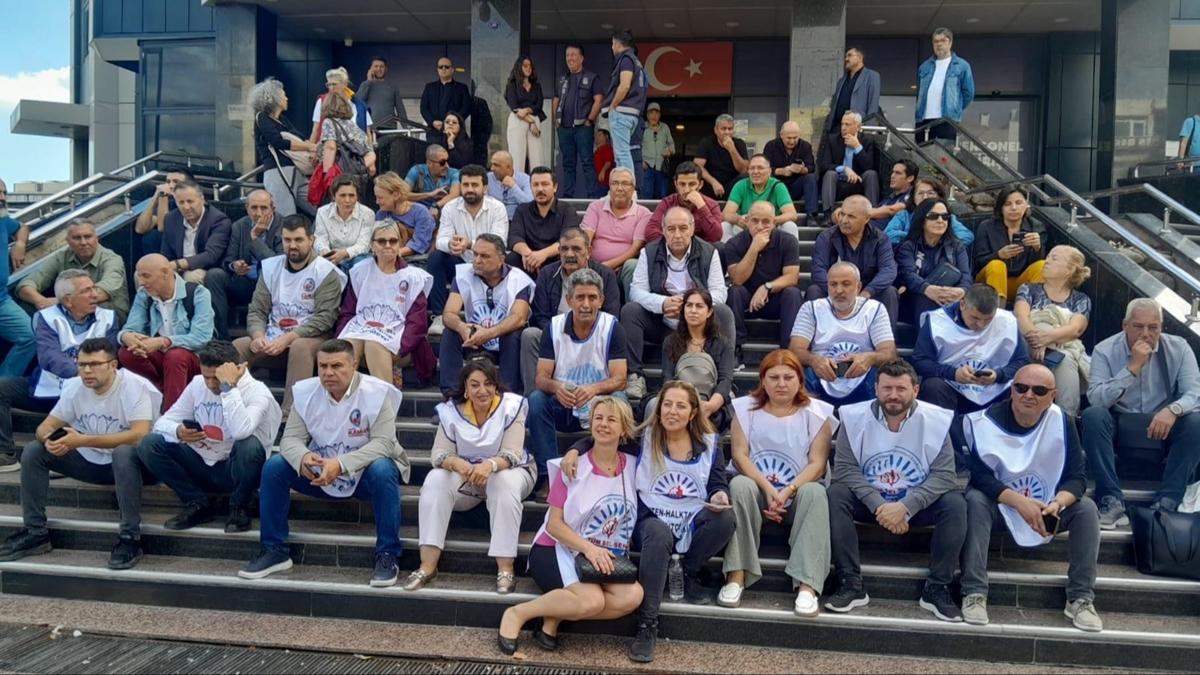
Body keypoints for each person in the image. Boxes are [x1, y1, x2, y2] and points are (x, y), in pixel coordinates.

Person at [239, 339, 407, 584]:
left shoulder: (377, 393)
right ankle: (274, 550)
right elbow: (290, 439)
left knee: (383, 468)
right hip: (319, 473)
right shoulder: (306, 393)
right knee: (275, 467)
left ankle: (388, 554)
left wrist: (340, 464)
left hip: (363, 476)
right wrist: (303, 458)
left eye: (336, 366)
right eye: (323, 366)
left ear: (354, 365)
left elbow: (384, 443)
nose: (328, 373)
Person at [961, 364, 1103, 631]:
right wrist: (1021, 503)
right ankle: (974, 591)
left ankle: (1080, 598)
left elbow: (1077, 477)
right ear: (1011, 390)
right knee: (974, 501)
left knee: (1086, 509)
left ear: (1052, 396)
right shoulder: (984, 421)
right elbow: (980, 477)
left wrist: (1057, 504)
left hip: (1045, 506)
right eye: (1021, 388)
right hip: (1000, 506)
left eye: (1039, 390)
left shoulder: (1063, 421)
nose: (1028, 395)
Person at [497, 396, 643, 656]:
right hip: (556, 548)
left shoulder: (633, 466)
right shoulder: (572, 465)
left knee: (632, 596)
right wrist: (589, 549)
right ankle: (518, 613)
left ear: (624, 429)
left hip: (604, 555)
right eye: (598, 418)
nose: (603, 424)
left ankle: (554, 616)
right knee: (592, 600)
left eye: (612, 419)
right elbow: (554, 525)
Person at [825, 358, 966, 622]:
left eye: (901, 389)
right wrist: (881, 506)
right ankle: (850, 583)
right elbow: (845, 469)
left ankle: (937, 588)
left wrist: (905, 507)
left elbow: (945, 476)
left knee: (955, 503)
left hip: (916, 505)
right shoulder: (853, 417)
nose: (893, 395)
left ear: (916, 390)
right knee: (835, 495)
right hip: (871, 503)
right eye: (887, 388)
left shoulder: (936, 419)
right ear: (875, 389)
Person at [0, 338, 160, 569]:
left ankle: (130, 538)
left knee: (123, 453)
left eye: (95, 364)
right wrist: (50, 440)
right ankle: (35, 533)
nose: (87, 371)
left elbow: (139, 436)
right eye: (82, 364)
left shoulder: (136, 387)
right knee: (34, 450)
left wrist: (83, 440)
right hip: (92, 462)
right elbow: (44, 428)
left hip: (137, 468)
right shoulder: (74, 386)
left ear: (113, 365)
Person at [719, 349, 835, 614]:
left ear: (800, 380)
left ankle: (807, 585)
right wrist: (769, 490)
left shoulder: (817, 413)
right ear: (763, 380)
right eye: (774, 377)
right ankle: (736, 575)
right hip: (758, 494)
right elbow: (739, 456)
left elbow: (817, 464)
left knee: (815, 493)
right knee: (739, 485)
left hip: (797, 496)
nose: (781, 384)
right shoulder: (745, 409)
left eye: (788, 377)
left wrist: (788, 491)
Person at [406, 359, 535, 594]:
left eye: (488, 383)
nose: (482, 390)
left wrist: (490, 465)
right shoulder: (451, 411)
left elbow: (512, 454)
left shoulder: (512, 406)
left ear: (496, 386)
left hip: (511, 472)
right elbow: (439, 454)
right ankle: (428, 565)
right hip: (469, 477)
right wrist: (457, 463)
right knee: (435, 479)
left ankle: (505, 567)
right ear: (465, 387)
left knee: (502, 481)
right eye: (475, 385)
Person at [628, 381, 734, 663]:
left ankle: (687, 572)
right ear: (658, 408)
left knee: (725, 519)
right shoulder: (642, 437)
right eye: (667, 404)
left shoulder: (709, 443)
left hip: (690, 517)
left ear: (692, 413)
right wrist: (575, 450)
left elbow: (717, 483)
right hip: (650, 518)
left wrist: (720, 495)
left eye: (680, 406)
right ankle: (647, 624)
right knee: (659, 534)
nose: (672, 411)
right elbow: (599, 440)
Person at [138, 340, 281, 533]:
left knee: (248, 444)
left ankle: (240, 507)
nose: (212, 384)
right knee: (149, 444)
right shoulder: (197, 384)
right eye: (207, 377)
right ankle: (196, 503)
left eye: (217, 378)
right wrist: (178, 431)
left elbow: (241, 431)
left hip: (238, 469)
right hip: (202, 462)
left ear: (239, 369)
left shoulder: (258, 392)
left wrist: (228, 388)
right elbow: (162, 423)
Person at [1082, 298, 1200, 527]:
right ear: (1125, 325)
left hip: (1163, 423)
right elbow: (1095, 398)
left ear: (1161, 327)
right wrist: (1132, 368)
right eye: (1138, 326)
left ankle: (1167, 501)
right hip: (1119, 422)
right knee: (1092, 416)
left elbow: (1195, 392)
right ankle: (1110, 499)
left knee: (1196, 422)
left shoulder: (1179, 347)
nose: (1146, 334)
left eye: (1153, 327)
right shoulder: (1104, 350)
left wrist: (1173, 410)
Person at [0, 271, 120, 470]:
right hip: (49, 390)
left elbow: (108, 353)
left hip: (91, 393)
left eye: (94, 288)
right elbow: (49, 357)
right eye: (86, 291)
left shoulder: (108, 317)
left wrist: (85, 375)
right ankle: (5, 454)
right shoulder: (46, 317)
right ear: (68, 300)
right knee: (2, 388)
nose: (94, 295)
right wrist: (81, 372)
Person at [233, 216, 346, 416]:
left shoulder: (325, 271)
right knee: (238, 347)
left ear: (311, 240)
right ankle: (238, 409)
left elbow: (325, 318)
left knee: (300, 347)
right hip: (273, 335)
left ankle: (291, 413)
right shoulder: (270, 268)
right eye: (287, 240)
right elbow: (257, 310)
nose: (292, 245)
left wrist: (289, 338)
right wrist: (258, 335)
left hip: (311, 339)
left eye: (298, 240)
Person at [623, 207, 734, 400]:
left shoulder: (709, 252)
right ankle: (635, 376)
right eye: (671, 229)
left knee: (723, 312)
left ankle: (725, 381)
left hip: (698, 325)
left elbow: (719, 291)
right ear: (663, 230)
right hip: (662, 321)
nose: (677, 234)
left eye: (683, 228)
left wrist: (690, 304)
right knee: (630, 311)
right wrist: (662, 303)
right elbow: (636, 290)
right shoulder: (649, 252)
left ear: (692, 228)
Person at [527, 269, 628, 477]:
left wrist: (593, 389)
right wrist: (557, 387)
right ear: (569, 300)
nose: (586, 304)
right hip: (564, 404)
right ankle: (547, 474)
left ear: (601, 300)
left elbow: (620, 378)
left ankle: (614, 470)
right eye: (580, 297)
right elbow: (541, 377)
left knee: (620, 399)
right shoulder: (553, 327)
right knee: (536, 400)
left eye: (592, 297)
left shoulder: (612, 327)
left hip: (599, 404)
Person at [911, 283, 1030, 454]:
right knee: (933, 387)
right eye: (975, 317)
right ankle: (954, 457)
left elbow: (1022, 361)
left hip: (994, 388)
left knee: (1024, 387)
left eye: (988, 319)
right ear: (962, 304)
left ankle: (1009, 454)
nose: (981, 325)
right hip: (952, 387)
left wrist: (999, 375)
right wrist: (953, 373)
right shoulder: (937, 321)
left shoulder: (1007, 321)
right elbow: (920, 360)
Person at [522, 227, 620, 395]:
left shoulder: (605, 275)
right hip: (555, 336)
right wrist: (561, 335)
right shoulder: (547, 274)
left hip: (593, 336)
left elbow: (611, 315)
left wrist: (581, 336)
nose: (569, 254)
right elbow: (540, 316)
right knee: (530, 334)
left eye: (576, 249)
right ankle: (533, 396)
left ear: (588, 251)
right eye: (564, 249)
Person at [337, 221, 435, 388]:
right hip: (361, 333)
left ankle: (386, 401)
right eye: (382, 241)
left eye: (393, 241)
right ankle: (342, 398)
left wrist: (400, 348)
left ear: (400, 244)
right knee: (347, 348)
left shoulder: (414, 277)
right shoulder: (360, 271)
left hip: (400, 344)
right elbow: (348, 312)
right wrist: (341, 337)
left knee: (374, 344)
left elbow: (417, 323)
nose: (388, 245)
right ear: (372, 245)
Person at [790, 262, 897, 408]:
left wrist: (869, 358)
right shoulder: (811, 308)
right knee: (801, 373)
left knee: (881, 374)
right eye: (833, 284)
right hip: (820, 376)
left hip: (863, 378)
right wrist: (815, 360)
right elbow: (795, 350)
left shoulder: (874, 309)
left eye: (846, 284)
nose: (839, 290)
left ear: (858, 287)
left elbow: (889, 353)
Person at [118, 254, 215, 411]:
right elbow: (131, 327)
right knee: (127, 352)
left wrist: (163, 341)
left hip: (193, 360)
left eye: (146, 276)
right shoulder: (144, 294)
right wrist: (126, 336)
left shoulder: (198, 293)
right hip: (162, 359)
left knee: (175, 355)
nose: (141, 282)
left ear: (165, 273)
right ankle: (159, 390)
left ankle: (172, 414)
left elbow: (201, 337)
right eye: (139, 276)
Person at [439, 234, 533, 395]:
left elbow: (519, 318)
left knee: (513, 334)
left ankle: (506, 395)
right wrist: (462, 328)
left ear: (501, 259)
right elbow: (448, 314)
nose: (477, 260)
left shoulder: (519, 279)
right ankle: (451, 396)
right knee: (450, 332)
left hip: (503, 342)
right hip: (473, 339)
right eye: (475, 254)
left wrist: (489, 333)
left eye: (484, 256)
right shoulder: (463, 275)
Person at [1013, 245, 1092, 418]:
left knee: (1066, 359)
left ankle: (1067, 418)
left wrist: (1046, 339)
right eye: (1048, 256)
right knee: (1042, 322)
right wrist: (1038, 340)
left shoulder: (1081, 299)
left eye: (1054, 258)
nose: (1046, 261)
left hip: (1060, 349)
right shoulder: (1029, 289)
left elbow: (1075, 329)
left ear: (1070, 270)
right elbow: (1021, 316)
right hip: (1029, 345)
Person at [427, 165, 510, 331]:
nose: (469, 189)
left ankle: (500, 315)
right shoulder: (450, 207)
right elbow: (441, 240)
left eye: (474, 185)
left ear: (485, 188)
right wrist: (451, 244)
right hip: (460, 263)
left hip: (488, 265)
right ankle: (438, 316)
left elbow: (500, 242)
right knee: (436, 257)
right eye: (465, 185)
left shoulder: (497, 208)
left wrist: (470, 244)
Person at [204, 191, 285, 340]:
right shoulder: (239, 226)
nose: (258, 213)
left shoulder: (283, 225)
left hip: (272, 284)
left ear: (273, 208)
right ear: (247, 208)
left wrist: (255, 238)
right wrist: (234, 266)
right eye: (254, 208)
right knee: (214, 275)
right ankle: (221, 336)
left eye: (264, 208)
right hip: (245, 281)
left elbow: (278, 265)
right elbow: (228, 259)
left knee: (267, 274)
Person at [808, 195, 899, 327]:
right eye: (842, 214)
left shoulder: (880, 239)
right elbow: (818, 270)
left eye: (851, 216)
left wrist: (867, 292)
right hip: (835, 291)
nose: (844, 220)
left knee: (890, 292)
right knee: (814, 290)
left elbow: (889, 270)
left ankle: (886, 339)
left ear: (867, 218)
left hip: (866, 292)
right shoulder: (826, 237)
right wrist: (837, 290)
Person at [724, 202, 803, 351]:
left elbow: (792, 277)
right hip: (747, 301)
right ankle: (736, 347)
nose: (760, 226)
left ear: (774, 222)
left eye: (766, 221)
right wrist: (754, 248)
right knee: (734, 292)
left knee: (793, 293)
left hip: (775, 298)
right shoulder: (734, 243)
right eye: (755, 220)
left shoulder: (788, 241)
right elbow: (737, 279)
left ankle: (789, 349)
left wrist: (767, 287)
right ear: (747, 221)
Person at [16, 218, 130, 322]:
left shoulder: (112, 259)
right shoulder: (61, 256)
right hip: (69, 309)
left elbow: (104, 292)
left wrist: (60, 301)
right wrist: (40, 301)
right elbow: (25, 284)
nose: (83, 242)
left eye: (88, 237)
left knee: (93, 307)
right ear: (68, 241)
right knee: (27, 306)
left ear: (96, 238)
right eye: (77, 238)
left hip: (107, 311)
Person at [659, 289, 735, 431]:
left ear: (709, 312)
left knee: (718, 416)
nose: (693, 311)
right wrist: (679, 403)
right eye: (689, 305)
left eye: (699, 306)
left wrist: (711, 405)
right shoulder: (671, 341)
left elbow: (725, 380)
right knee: (655, 407)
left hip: (710, 398)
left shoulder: (723, 343)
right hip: (678, 397)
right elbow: (667, 377)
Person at [895, 198, 972, 324]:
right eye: (933, 216)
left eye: (945, 216)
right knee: (926, 298)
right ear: (922, 219)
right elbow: (908, 274)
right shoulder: (908, 246)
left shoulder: (957, 246)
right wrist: (927, 289)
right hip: (916, 298)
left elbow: (966, 276)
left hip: (950, 296)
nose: (940, 220)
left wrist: (961, 290)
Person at [251, 77, 317, 218]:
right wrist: (309, 146)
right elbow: (278, 142)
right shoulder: (262, 118)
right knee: (286, 216)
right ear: (274, 99)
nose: (287, 98)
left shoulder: (282, 120)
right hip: (278, 172)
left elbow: (299, 137)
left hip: (296, 172)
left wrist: (311, 148)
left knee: (320, 209)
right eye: (283, 95)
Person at [580, 167, 651, 293]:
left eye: (625, 183)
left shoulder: (643, 213)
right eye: (615, 183)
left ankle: (631, 306)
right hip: (592, 266)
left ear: (633, 188)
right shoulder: (595, 207)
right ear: (609, 187)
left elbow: (635, 249)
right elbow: (585, 239)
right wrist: (588, 263)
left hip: (622, 270)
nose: (619, 188)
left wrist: (606, 266)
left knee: (633, 266)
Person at [972, 186, 1046, 305]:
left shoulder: (1035, 227)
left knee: (1042, 265)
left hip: (1019, 283)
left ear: (1026, 205)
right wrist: (999, 255)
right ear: (1001, 208)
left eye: (1018, 203)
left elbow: (1036, 266)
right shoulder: (986, 227)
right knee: (997, 265)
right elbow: (977, 262)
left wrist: (1037, 248)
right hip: (988, 284)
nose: (1014, 208)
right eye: (1007, 204)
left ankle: (1033, 308)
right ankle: (997, 310)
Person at [552, 44, 604, 199]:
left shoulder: (592, 78)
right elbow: (555, 99)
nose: (570, 58)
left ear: (581, 58)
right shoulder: (562, 79)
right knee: (567, 163)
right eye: (567, 55)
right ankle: (568, 195)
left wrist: (590, 120)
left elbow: (599, 100)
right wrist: (556, 120)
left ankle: (592, 196)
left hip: (583, 127)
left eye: (573, 55)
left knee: (587, 162)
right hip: (564, 127)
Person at [508, 166, 579, 273]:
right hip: (528, 261)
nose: (540, 189)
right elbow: (514, 237)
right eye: (535, 185)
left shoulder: (567, 210)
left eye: (545, 184)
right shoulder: (522, 210)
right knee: (512, 258)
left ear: (555, 187)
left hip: (555, 259)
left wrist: (543, 254)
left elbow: (568, 240)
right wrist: (528, 254)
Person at [160, 180, 232, 284]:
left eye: (190, 201)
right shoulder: (171, 218)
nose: (186, 207)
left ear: (202, 199)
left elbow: (211, 256)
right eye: (181, 202)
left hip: (205, 269)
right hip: (176, 268)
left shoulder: (219, 220)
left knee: (192, 277)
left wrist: (177, 265)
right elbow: (166, 253)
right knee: (142, 275)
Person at [602, 30, 649, 185]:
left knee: (622, 154)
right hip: (632, 113)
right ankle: (625, 187)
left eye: (612, 44)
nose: (612, 47)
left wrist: (613, 106)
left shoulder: (626, 59)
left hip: (622, 112)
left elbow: (625, 85)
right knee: (622, 154)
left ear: (617, 43)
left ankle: (627, 189)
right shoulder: (636, 62)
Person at [916, 28, 975, 143]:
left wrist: (955, 108)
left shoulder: (962, 66)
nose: (939, 44)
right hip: (923, 120)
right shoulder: (924, 67)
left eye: (943, 40)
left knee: (945, 153)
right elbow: (920, 93)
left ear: (950, 43)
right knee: (921, 153)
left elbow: (969, 93)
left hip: (947, 121)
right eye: (935, 41)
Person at [722, 154, 800, 241]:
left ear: (769, 171)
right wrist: (738, 219)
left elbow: (792, 214)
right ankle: (727, 250)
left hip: (771, 228)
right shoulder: (740, 185)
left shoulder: (778, 186)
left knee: (790, 226)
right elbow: (726, 214)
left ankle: (790, 250)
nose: (755, 172)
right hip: (746, 228)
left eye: (760, 168)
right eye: (752, 168)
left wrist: (770, 221)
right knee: (725, 225)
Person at [644, 162, 723, 244]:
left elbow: (716, 236)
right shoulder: (668, 203)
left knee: (719, 246)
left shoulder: (712, 205)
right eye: (682, 184)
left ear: (700, 184)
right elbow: (650, 231)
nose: (686, 190)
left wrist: (701, 206)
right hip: (673, 246)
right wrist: (675, 243)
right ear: (676, 184)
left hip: (701, 249)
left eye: (692, 184)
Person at [884, 177, 975, 245]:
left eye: (930, 193)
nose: (925, 197)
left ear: (939, 197)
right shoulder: (904, 215)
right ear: (913, 197)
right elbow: (888, 235)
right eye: (920, 193)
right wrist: (921, 237)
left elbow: (966, 236)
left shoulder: (945, 217)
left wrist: (938, 239)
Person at [818, 111, 881, 209]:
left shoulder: (867, 140)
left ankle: (872, 212)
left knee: (871, 174)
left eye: (847, 124)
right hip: (838, 183)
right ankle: (828, 212)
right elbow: (824, 165)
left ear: (858, 127)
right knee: (830, 174)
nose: (843, 128)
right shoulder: (832, 140)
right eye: (842, 124)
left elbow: (869, 166)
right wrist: (844, 169)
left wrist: (857, 147)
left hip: (858, 182)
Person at [314, 175, 376, 272]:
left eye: (351, 195)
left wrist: (344, 253)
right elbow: (320, 238)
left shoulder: (368, 214)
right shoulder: (322, 212)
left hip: (357, 258)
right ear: (334, 196)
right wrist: (326, 252)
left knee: (363, 262)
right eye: (342, 195)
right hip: (331, 258)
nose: (347, 200)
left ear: (357, 197)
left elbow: (364, 244)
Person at [373, 172, 435, 259]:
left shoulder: (421, 212)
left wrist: (395, 253)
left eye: (380, 198)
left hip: (417, 259)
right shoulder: (381, 214)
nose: (377, 202)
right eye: (376, 197)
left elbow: (419, 244)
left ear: (396, 195)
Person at [762, 122, 819, 219]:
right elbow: (764, 168)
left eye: (795, 138)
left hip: (796, 185)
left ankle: (811, 215)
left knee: (810, 178)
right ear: (781, 135)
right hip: (776, 185)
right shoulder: (771, 146)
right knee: (766, 177)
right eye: (788, 138)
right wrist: (782, 171)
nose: (792, 141)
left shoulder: (805, 146)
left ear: (799, 135)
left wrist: (802, 170)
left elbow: (811, 167)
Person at [318, 92, 377, 183]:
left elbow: (330, 147)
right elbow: (368, 148)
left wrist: (327, 174)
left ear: (327, 106)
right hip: (358, 174)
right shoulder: (352, 125)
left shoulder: (329, 122)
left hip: (339, 174)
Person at [133, 168, 193, 256]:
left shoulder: (190, 204)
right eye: (168, 182)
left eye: (176, 182)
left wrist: (163, 196)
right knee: (150, 236)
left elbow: (163, 227)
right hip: (165, 251)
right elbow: (140, 229)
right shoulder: (168, 201)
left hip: (186, 248)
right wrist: (154, 198)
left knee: (154, 237)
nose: (170, 186)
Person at [309, 67, 373, 146]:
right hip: (328, 148)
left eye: (334, 84)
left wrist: (370, 150)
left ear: (345, 84)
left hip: (356, 149)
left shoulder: (359, 105)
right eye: (329, 84)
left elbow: (368, 133)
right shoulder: (322, 101)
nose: (331, 88)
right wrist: (310, 149)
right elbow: (315, 130)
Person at [504, 56, 546, 174]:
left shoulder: (536, 86)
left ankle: (538, 182)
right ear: (519, 67)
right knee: (517, 156)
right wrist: (531, 121)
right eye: (525, 66)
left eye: (530, 66)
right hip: (518, 120)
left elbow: (539, 105)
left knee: (537, 157)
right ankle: (517, 184)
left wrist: (527, 110)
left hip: (533, 119)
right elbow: (515, 107)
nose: (528, 68)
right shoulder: (512, 85)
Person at [694, 114, 750, 199]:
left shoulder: (739, 143)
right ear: (716, 130)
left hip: (732, 185)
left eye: (730, 129)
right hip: (711, 184)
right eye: (723, 129)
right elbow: (697, 166)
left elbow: (743, 170)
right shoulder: (706, 143)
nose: (727, 132)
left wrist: (732, 149)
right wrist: (713, 182)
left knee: (746, 177)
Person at [420, 56, 472, 148]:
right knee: (435, 156)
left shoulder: (462, 88)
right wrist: (432, 122)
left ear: (452, 70)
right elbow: (423, 108)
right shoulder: (429, 87)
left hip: (455, 133)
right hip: (434, 133)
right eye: (441, 67)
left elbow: (467, 108)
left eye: (447, 67)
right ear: (437, 70)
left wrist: (452, 122)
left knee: (455, 156)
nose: (443, 69)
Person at [827, 47, 881, 134]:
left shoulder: (871, 76)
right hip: (837, 128)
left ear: (860, 58)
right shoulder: (841, 80)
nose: (846, 59)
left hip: (857, 128)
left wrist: (869, 129)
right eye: (846, 56)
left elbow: (873, 104)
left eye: (849, 55)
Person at [405, 144, 462, 218]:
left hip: (444, 213)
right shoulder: (417, 171)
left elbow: (454, 195)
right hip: (419, 213)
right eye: (442, 163)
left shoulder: (454, 173)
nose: (447, 166)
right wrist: (429, 194)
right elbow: (403, 194)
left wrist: (436, 205)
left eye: (447, 161)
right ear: (429, 163)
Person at [869, 160, 917, 230]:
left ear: (910, 178)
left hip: (882, 234)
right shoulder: (890, 197)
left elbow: (891, 210)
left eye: (898, 173)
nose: (892, 176)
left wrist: (860, 213)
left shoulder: (913, 196)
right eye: (892, 172)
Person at [486, 150, 533, 220]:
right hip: (493, 220)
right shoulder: (488, 178)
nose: (492, 168)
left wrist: (513, 187)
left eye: (496, 165)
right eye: (492, 164)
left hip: (516, 221)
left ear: (509, 167)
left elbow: (530, 205)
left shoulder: (525, 179)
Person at [356, 57, 404, 125]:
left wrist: (406, 127)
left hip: (390, 127)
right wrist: (368, 81)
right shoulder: (365, 85)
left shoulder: (393, 87)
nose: (379, 69)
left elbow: (400, 109)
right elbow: (358, 101)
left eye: (382, 66)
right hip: (371, 128)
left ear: (386, 69)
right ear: (370, 69)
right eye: (376, 66)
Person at [642, 103, 674, 200]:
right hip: (646, 166)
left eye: (656, 113)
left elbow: (671, 144)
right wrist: (641, 161)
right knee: (647, 194)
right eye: (651, 113)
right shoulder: (642, 127)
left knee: (662, 194)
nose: (654, 116)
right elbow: (636, 146)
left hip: (661, 166)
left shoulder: (665, 127)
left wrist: (669, 151)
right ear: (647, 115)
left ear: (659, 115)